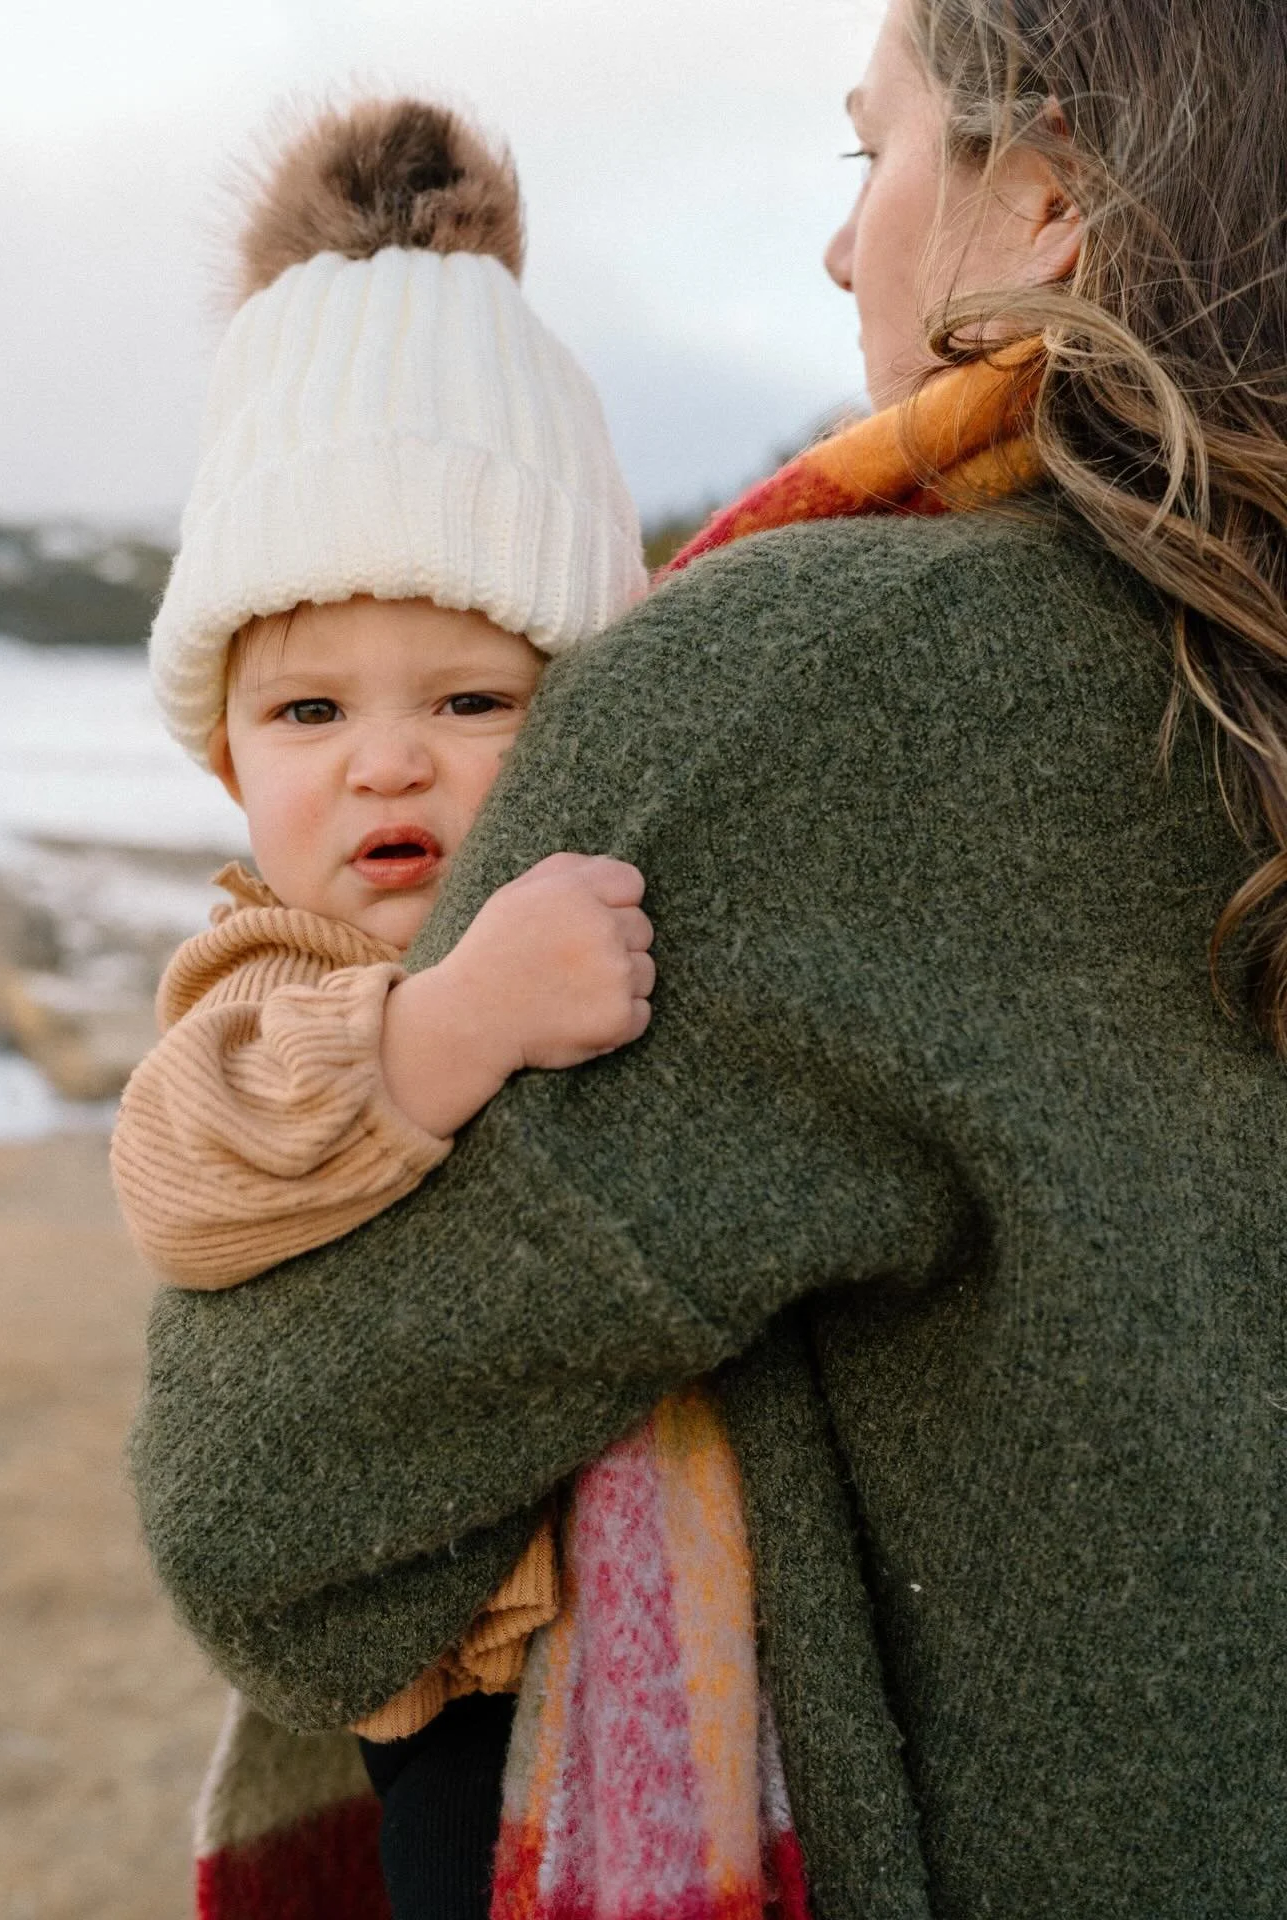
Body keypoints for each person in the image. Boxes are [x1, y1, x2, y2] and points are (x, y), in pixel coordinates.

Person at [132, 2, 1287, 1915]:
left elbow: (258, 1516)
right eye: (308, 708)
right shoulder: (1220, 680)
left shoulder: (822, 699)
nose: (844, 245)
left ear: (1052, 188)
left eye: (874, 153)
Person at [115, 96, 802, 1920]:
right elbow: (184, 1164)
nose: (389, 761)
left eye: (476, 700)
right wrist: (455, 1026)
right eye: (310, 713)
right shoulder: (281, 968)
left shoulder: (623, 899)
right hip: (453, 1676)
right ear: (227, 754)